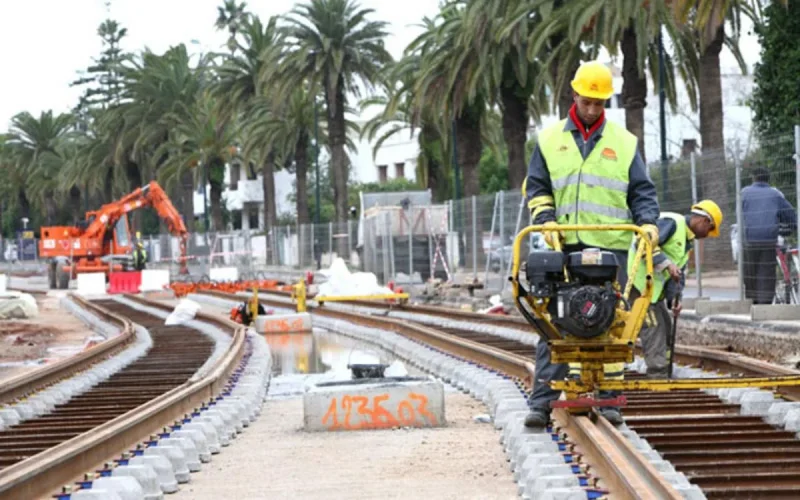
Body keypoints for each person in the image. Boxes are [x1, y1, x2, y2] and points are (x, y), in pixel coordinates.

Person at [523, 60, 660, 428]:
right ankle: (542, 402)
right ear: (575, 95)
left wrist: (648, 223)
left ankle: (609, 399)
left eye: (599, 103)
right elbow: (538, 187)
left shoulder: (624, 143)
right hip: (565, 243)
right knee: (556, 323)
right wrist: (545, 220)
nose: (592, 109)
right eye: (587, 102)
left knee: (611, 321)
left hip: (611, 247)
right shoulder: (549, 140)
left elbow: (642, 191)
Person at [627, 200, 723, 378]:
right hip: (639, 285)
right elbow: (644, 243)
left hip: (653, 292)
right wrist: (667, 264)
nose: (707, 235)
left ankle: (665, 371)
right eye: (710, 229)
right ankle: (657, 376)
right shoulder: (671, 223)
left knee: (666, 326)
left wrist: (674, 301)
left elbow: (677, 275)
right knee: (654, 328)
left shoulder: (686, 242)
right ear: (704, 221)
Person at [741, 167, 797, 304]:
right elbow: (791, 216)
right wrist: (788, 228)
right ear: (768, 179)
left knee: (750, 273)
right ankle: (764, 305)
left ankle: (752, 303)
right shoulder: (775, 194)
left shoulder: (744, 193)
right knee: (766, 274)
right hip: (768, 239)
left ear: (753, 178)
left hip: (749, 240)